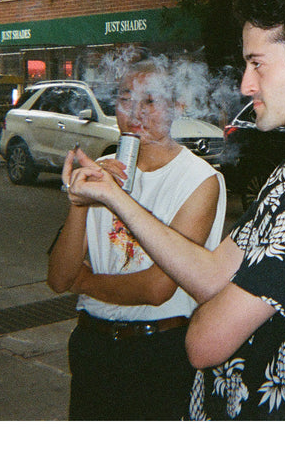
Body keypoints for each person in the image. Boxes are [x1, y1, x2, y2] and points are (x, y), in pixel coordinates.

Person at [63, 0, 285, 421]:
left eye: (258, 64)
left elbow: (202, 344)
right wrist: (113, 197)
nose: (245, 85)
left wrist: (203, 307)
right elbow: (213, 271)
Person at [47, 54, 227, 419]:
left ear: (177, 106)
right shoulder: (100, 171)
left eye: (150, 101)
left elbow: (157, 289)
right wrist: (78, 203)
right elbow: (59, 278)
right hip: (92, 346)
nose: (136, 113)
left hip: (157, 351)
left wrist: (86, 281)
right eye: (126, 99)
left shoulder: (199, 180)